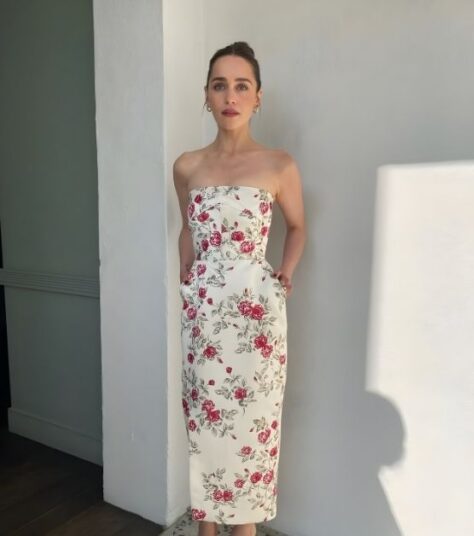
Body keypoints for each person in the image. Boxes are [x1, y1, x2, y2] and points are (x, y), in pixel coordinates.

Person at [174, 41, 306, 536]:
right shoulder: (187, 166)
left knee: (251, 424)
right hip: (204, 318)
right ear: (206, 95)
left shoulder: (278, 164)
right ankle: (206, 526)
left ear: (258, 97)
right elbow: (187, 229)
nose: (230, 96)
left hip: (257, 319)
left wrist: (284, 274)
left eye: (241, 86)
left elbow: (298, 227)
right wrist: (186, 281)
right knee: (206, 423)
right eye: (220, 85)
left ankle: (245, 526)